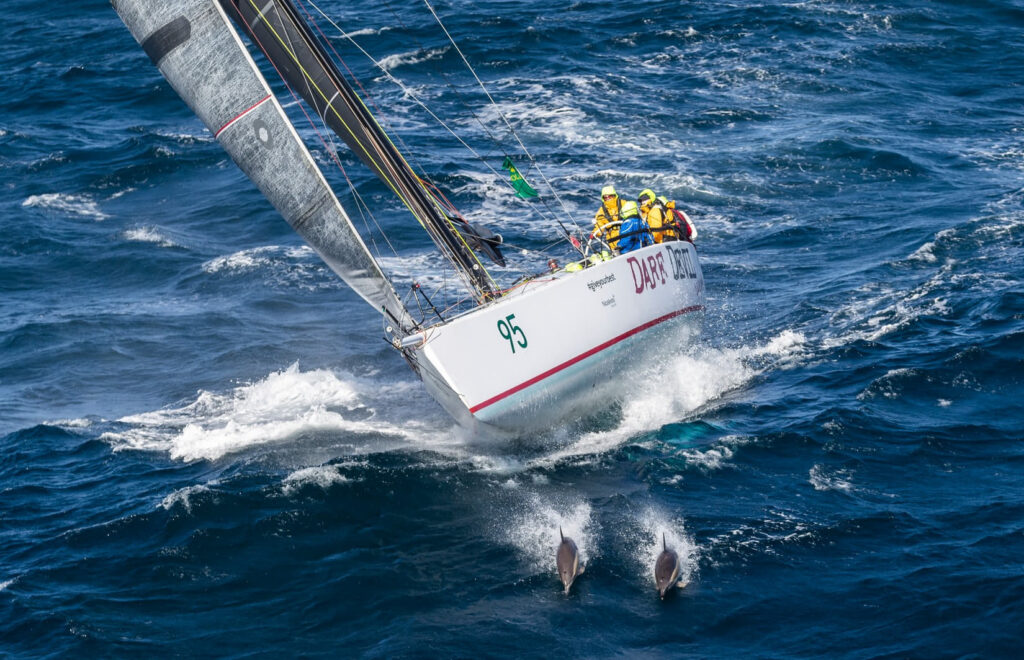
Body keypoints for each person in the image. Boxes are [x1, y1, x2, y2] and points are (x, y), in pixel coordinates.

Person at [593, 185, 624, 251]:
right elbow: (599, 226)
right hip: (613, 240)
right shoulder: (601, 212)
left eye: (610, 196)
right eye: (605, 197)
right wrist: (594, 233)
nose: (608, 198)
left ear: (614, 195)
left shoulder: (624, 204)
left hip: (627, 234)